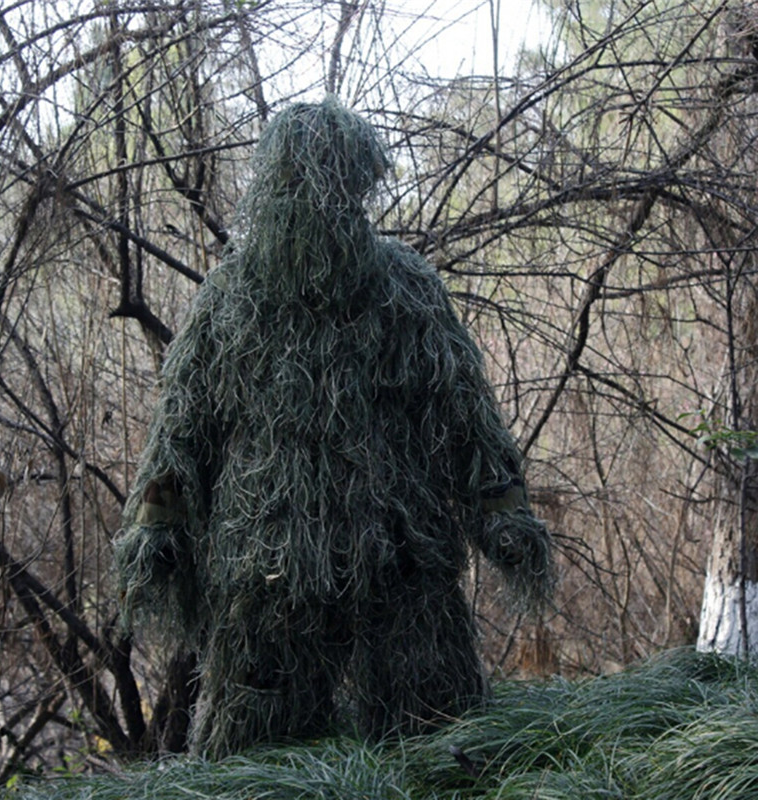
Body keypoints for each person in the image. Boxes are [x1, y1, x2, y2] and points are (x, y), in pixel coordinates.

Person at [116, 98, 552, 757]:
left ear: (358, 190)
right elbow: (183, 431)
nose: (317, 207)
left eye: (335, 187)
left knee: (438, 747)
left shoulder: (404, 288)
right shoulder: (232, 299)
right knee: (258, 761)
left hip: (400, 563)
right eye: (299, 185)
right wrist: (156, 529)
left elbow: (465, 417)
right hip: (269, 573)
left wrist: (504, 513)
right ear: (273, 188)